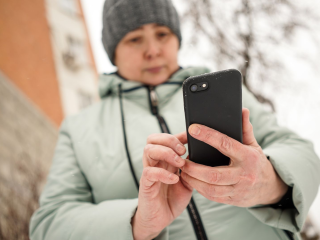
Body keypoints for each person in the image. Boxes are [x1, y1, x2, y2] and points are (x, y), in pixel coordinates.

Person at [29, 0, 320, 239]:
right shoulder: (79, 128)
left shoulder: (226, 94)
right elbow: (49, 223)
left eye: (162, 34)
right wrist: (138, 222)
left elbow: (300, 151)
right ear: (112, 52)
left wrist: (269, 182)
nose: (153, 49)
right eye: (134, 39)